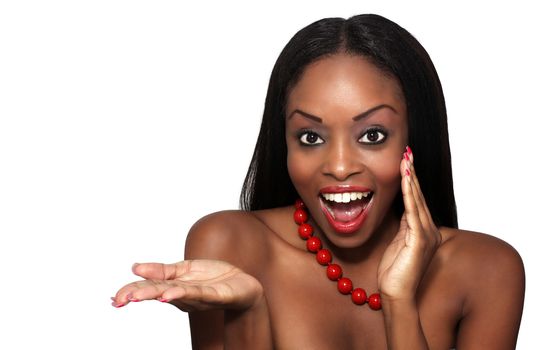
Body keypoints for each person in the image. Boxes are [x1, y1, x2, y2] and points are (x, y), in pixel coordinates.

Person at [112, 14, 525, 349]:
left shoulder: (488, 271)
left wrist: (400, 303)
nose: (340, 166)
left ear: (412, 140)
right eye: (310, 137)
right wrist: (250, 311)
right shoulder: (230, 245)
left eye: (372, 135)